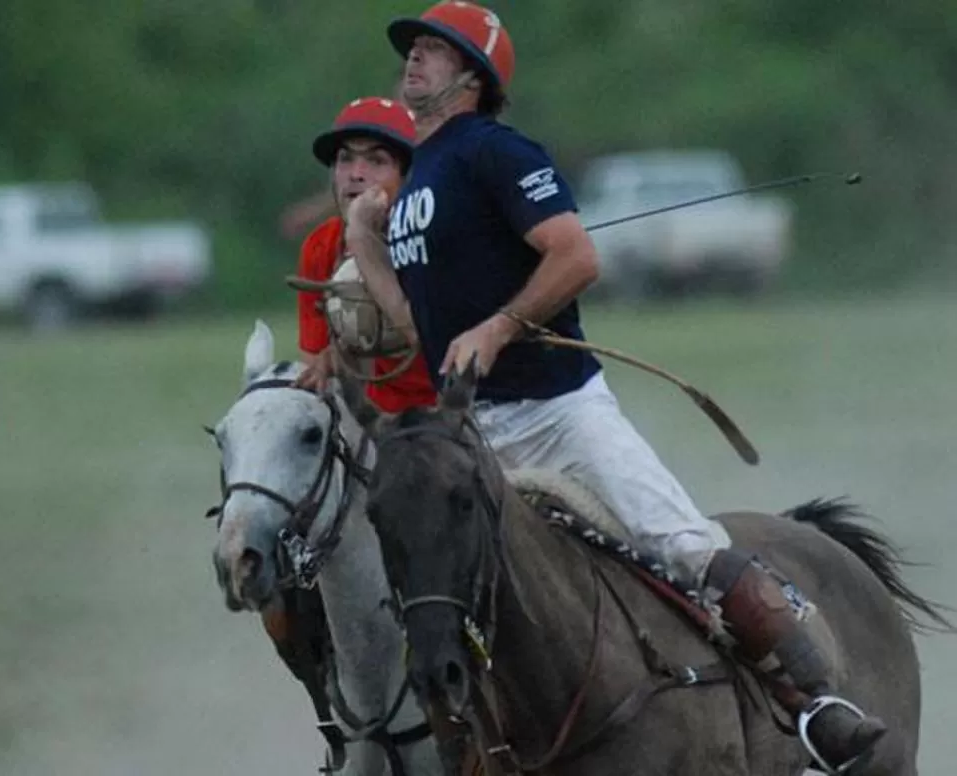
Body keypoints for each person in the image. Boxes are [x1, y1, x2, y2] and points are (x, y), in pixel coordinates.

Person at [343, 1, 887, 771]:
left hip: (559, 413)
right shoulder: (417, 180)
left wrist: (498, 328)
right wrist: (367, 241)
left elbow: (575, 257)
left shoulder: (495, 151)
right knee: (444, 591)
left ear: (474, 75)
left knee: (683, 546)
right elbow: (415, 326)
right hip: (476, 435)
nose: (414, 59)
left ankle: (819, 705)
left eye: (435, 49)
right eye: (415, 48)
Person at [294, 95, 437, 414]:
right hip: (372, 421)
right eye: (345, 159)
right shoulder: (321, 245)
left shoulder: (437, 237)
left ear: (409, 177)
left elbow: (431, 345)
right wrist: (332, 358)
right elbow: (316, 368)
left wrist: (362, 237)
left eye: (377, 160)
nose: (356, 173)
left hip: (454, 414)